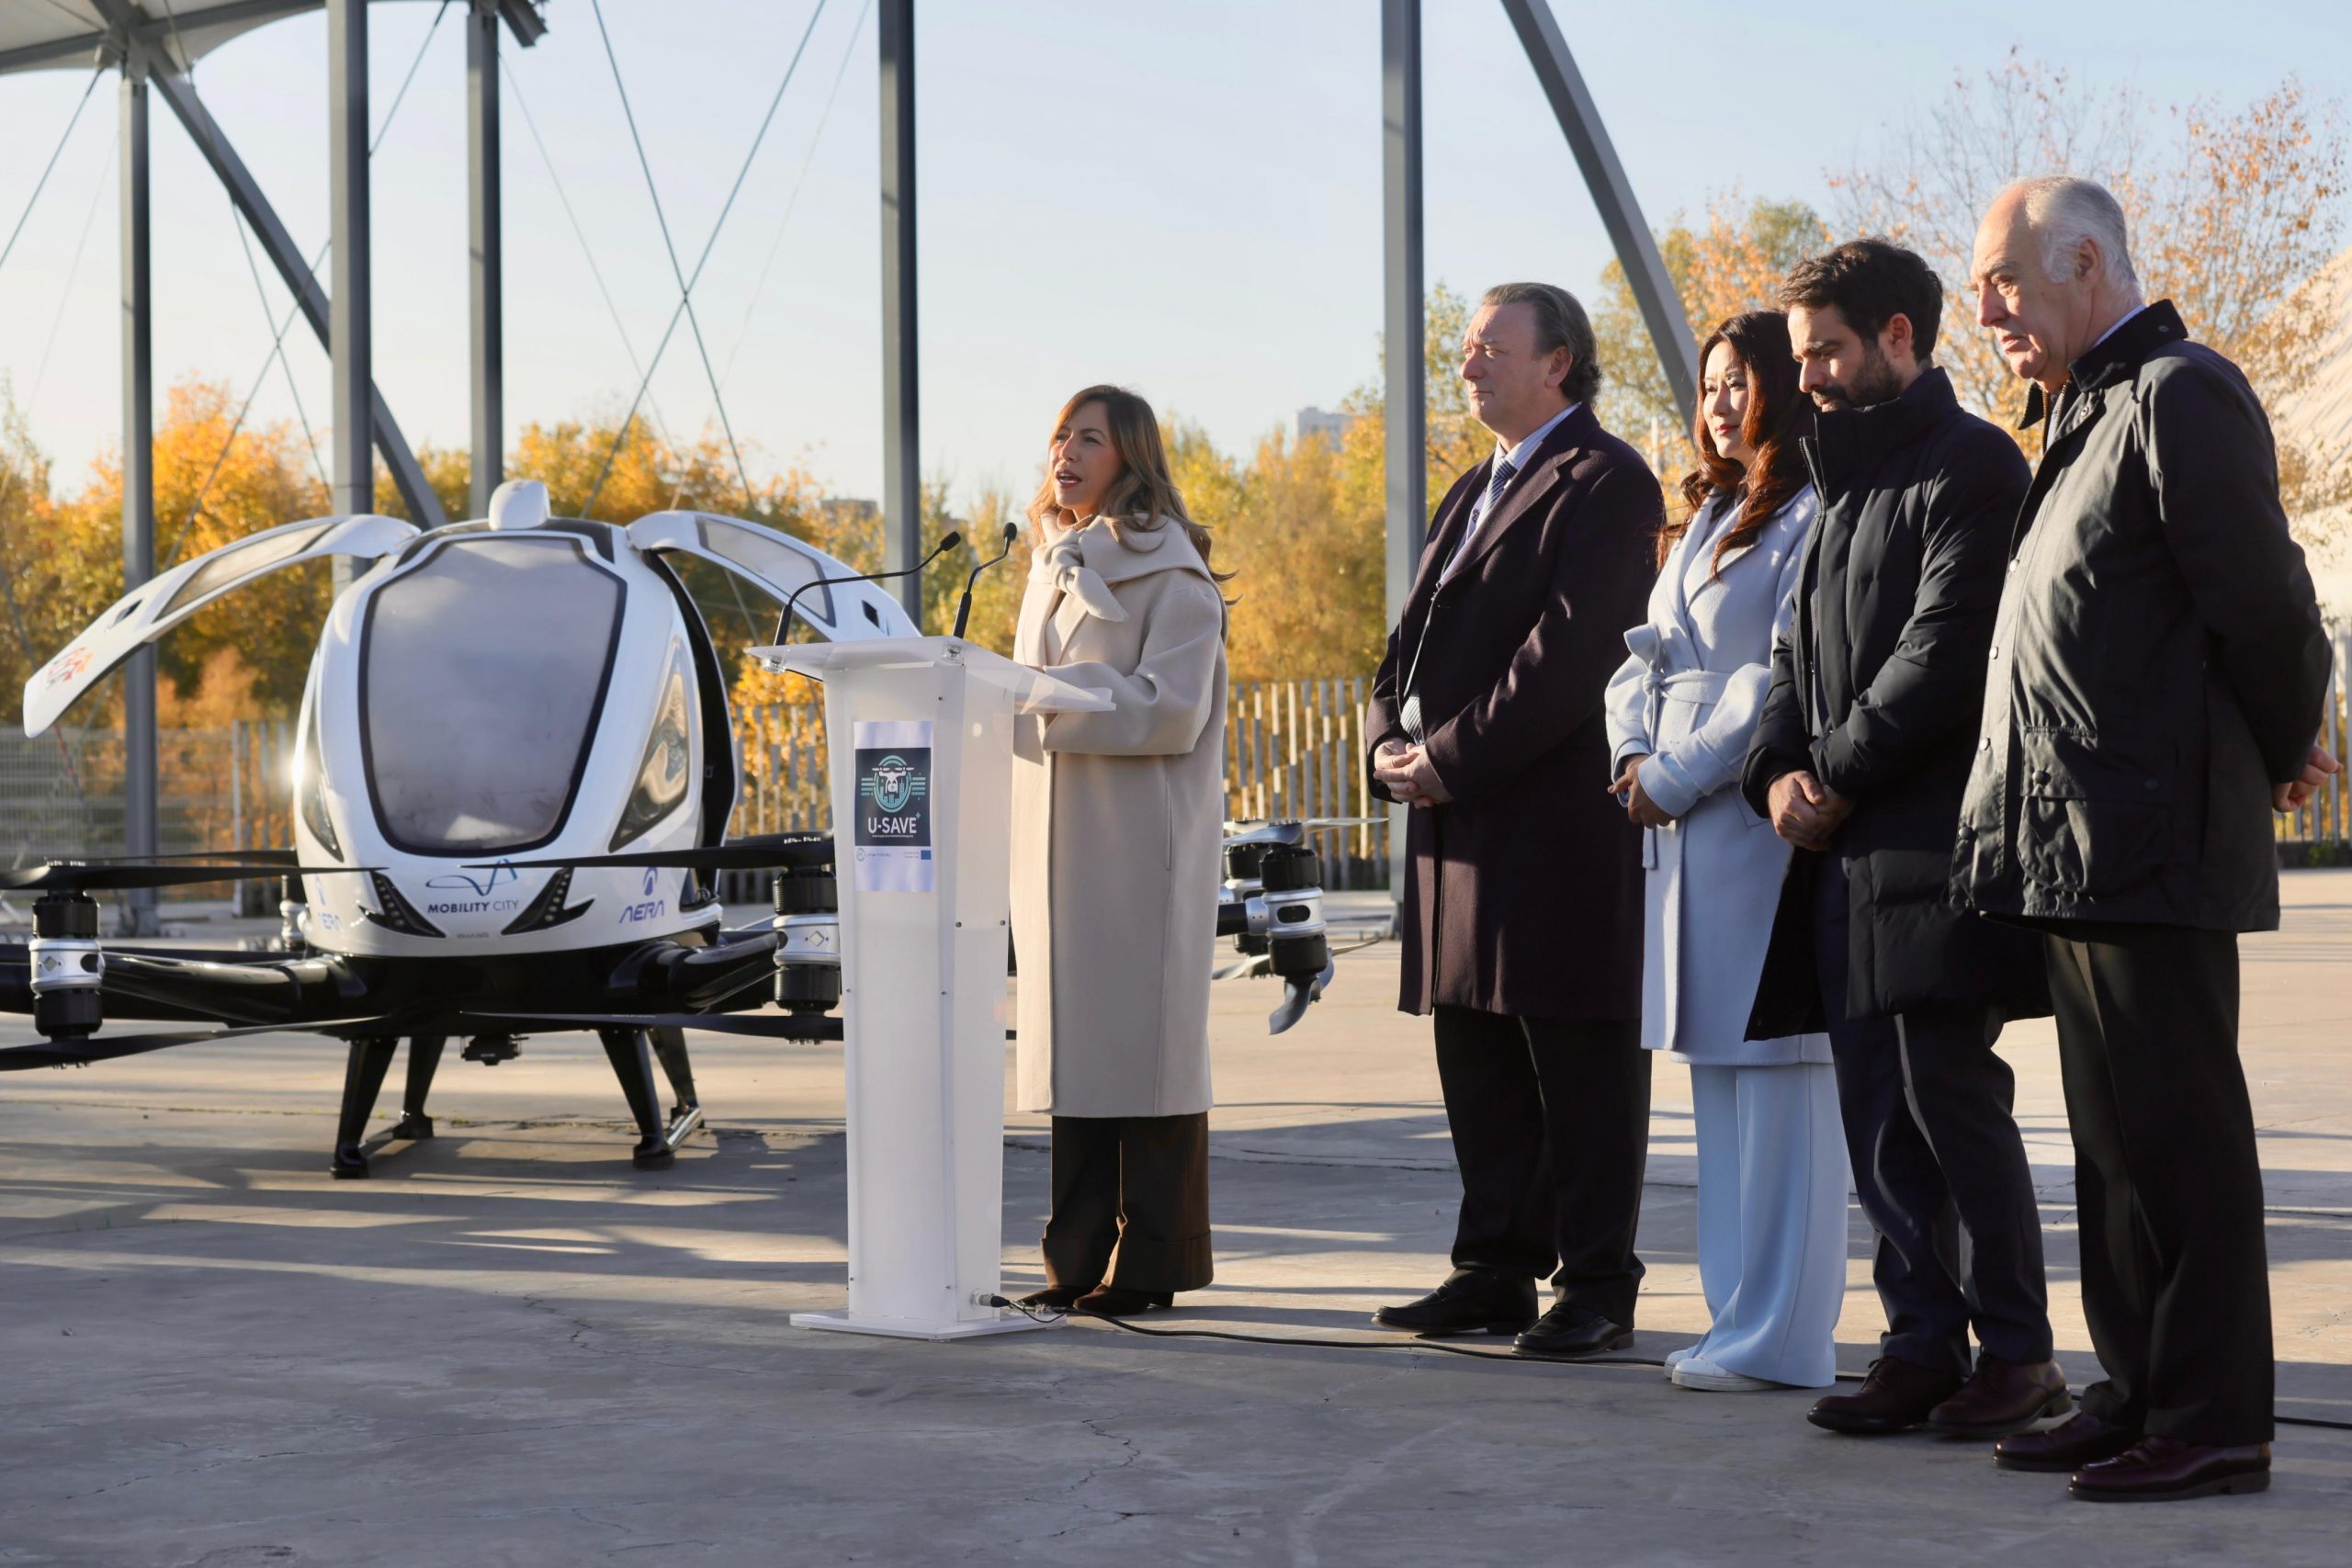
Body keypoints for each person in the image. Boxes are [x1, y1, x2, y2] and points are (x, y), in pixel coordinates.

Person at [1956, 176, 2340, 1502]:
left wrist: (2292, 743)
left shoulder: (2180, 391)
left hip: (2150, 838)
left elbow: (2269, 602)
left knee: (2180, 1140)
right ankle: (2137, 1385)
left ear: (2083, 260)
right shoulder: (2084, 411)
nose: (1984, 304)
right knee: (2114, 1149)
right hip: (2076, 842)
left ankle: (2216, 1417)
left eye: (2004, 276)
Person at [1740, 239, 2063, 1437]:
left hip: (1933, 850)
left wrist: (1832, 771)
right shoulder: (1842, 488)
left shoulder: (1973, 463)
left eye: (1827, 348)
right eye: (1802, 351)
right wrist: (1774, 769)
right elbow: (1792, 656)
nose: (1808, 374)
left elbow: (1949, 649)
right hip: (1842, 854)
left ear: (1898, 337)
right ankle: (1921, 1344)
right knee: (1877, 1114)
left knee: (1949, 1104)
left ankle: (2019, 1357)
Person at [1363, 282, 1661, 1357]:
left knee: (1577, 1058)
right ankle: (1493, 1267)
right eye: (1467, 348)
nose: (1470, 363)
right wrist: (1381, 740)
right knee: (1476, 1048)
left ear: (1561, 363)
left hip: (1551, 823)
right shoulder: (1468, 489)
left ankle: (1596, 1284)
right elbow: (1405, 644)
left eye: (1492, 347)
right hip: (1455, 825)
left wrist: (1448, 758)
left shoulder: (1607, 479)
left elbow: (1574, 657)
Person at [1602, 310, 1840, 1393]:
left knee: (1782, 1084)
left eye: (1738, 380)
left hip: (1747, 814)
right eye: (1707, 386)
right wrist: (1630, 751)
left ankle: (1783, 1335)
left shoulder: (1812, 511)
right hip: (1682, 826)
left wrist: (1675, 772)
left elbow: (1771, 681)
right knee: (1717, 1087)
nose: (1719, 403)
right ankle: (1730, 1319)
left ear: (1785, 387)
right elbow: (1639, 659)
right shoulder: (1704, 515)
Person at [1008, 384, 1232, 1318]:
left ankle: (1151, 1267)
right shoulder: (1052, 563)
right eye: (1061, 434)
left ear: (1130, 456)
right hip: (1060, 850)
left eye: (1088, 438)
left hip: (1140, 849)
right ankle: (1074, 1262)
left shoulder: (1173, 575)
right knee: (1080, 1060)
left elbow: (1171, 709)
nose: (1065, 451)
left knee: (1146, 1058)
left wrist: (1051, 701)